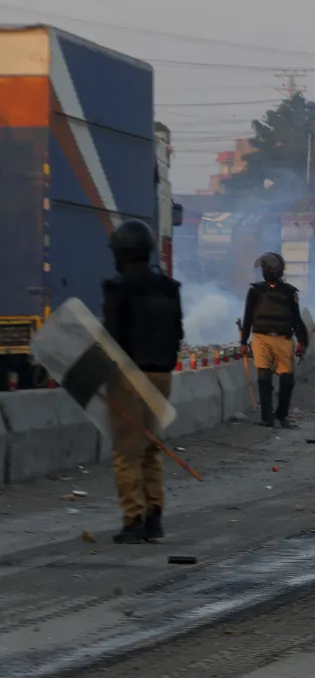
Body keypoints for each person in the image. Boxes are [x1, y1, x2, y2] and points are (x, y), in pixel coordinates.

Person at [101, 220, 184, 544]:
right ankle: (154, 517)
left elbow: (111, 337)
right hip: (162, 376)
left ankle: (133, 519)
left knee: (126, 451)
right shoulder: (169, 288)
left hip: (129, 377)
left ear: (121, 253)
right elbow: (177, 333)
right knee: (150, 447)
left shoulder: (118, 288)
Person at [240, 252, 309, 429]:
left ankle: (282, 415)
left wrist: (302, 341)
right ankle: (267, 418)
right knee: (264, 379)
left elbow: (297, 319)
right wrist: (243, 342)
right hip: (261, 338)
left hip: (283, 340)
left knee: (287, 380)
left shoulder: (289, 292)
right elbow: (248, 318)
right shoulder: (255, 291)